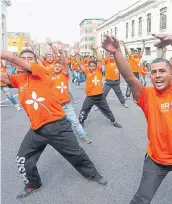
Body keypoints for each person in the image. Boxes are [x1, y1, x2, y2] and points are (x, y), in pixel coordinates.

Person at [102, 34, 172, 204]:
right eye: (154, 72)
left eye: (162, 71)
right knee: (141, 200)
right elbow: (129, 77)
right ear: (150, 76)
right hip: (156, 160)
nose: (157, 75)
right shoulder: (146, 95)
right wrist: (116, 52)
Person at [0, 49, 107, 199]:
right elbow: (3, 77)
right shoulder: (20, 79)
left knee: (76, 154)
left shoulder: (41, 71)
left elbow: (12, 58)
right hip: (37, 129)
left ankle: (93, 174)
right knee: (22, 158)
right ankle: (33, 184)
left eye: (29, 58)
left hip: (57, 126)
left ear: (35, 61)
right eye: (23, 58)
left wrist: (9, 56)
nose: (26, 60)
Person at [50, 42, 92, 144]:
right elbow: (53, 59)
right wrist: (52, 46)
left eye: (59, 66)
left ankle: (83, 135)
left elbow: (64, 62)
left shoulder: (64, 75)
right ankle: (59, 140)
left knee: (75, 122)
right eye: (55, 66)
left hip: (66, 105)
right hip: (55, 106)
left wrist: (61, 52)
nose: (57, 67)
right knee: (55, 125)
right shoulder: (49, 75)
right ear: (53, 67)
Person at [73, 43, 122, 128]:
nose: (92, 67)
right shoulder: (86, 72)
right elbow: (79, 63)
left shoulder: (98, 71)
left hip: (100, 96)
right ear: (88, 67)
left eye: (93, 66)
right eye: (90, 66)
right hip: (90, 97)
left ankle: (114, 121)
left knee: (107, 110)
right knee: (84, 110)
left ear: (96, 67)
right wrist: (76, 54)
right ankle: (81, 122)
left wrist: (96, 50)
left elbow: (99, 59)